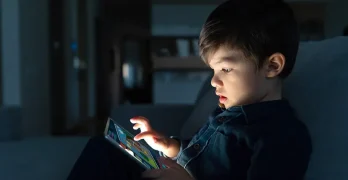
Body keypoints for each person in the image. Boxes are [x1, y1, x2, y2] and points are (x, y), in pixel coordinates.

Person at [67, 0, 312, 179]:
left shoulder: (283, 135)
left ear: (272, 66)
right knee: (104, 148)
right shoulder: (231, 110)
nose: (214, 82)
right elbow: (202, 154)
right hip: (173, 170)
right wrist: (169, 145)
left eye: (226, 69)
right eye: (213, 71)